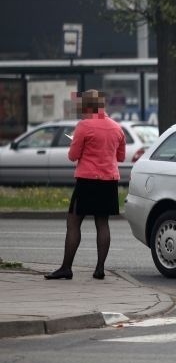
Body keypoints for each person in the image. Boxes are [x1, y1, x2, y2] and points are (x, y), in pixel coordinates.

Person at [45, 90, 126, 280]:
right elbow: (120, 157)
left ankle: (66, 267)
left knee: (73, 222)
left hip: (87, 181)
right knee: (102, 223)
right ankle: (100, 269)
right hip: (109, 181)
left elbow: (73, 156)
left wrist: (78, 144)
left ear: (88, 106)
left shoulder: (84, 126)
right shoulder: (117, 128)